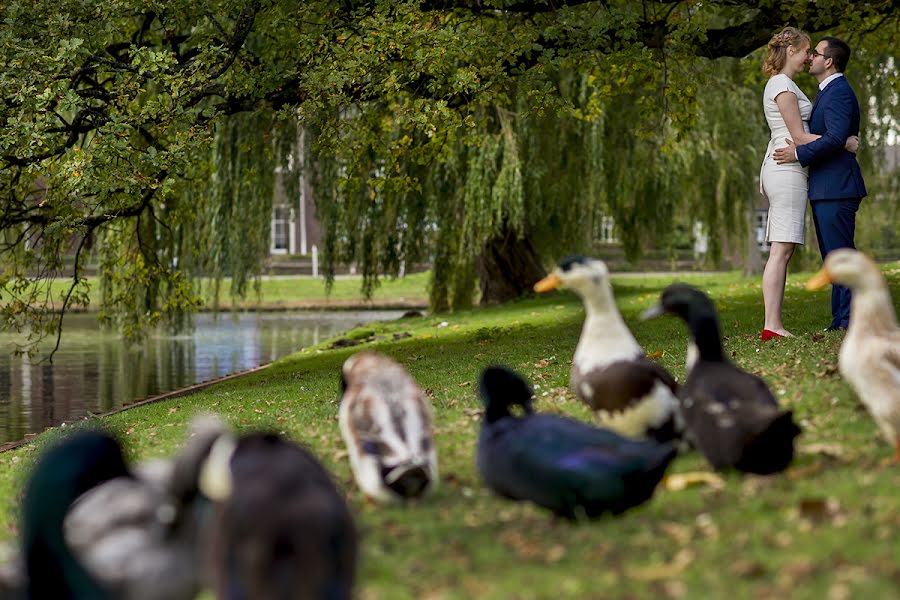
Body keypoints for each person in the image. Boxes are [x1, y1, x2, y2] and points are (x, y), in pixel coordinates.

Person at [759, 28, 858, 341]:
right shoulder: (782, 84)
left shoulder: (792, 85)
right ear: (792, 51)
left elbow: (803, 136)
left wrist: (828, 143)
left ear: (829, 62)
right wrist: (843, 142)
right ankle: (772, 326)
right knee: (782, 249)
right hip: (788, 168)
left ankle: (779, 324)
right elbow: (799, 136)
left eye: (814, 53)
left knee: (787, 250)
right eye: (806, 52)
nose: (809, 57)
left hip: (798, 170)